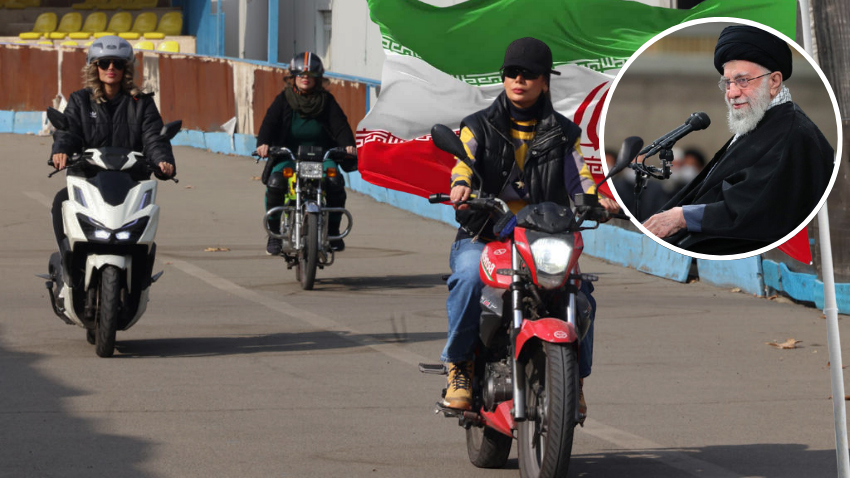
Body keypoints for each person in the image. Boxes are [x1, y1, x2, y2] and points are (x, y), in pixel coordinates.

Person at [441, 37, 619, 418]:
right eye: (512, 72)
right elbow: (464, 164)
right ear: (503, 78)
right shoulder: (477, 127)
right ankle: (459, 366)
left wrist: (596, 199)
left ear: (545, 81)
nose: (519, 79)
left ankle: (576, 379)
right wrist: (461, 186)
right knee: (470, 278)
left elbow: (581, 178)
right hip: (486, 232)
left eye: (529, 74)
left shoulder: (564, 134)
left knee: (580, 293)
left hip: (543, 236)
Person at [643, 25, 834, 255]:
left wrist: (683, 217)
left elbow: (758, 209)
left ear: (774, 82)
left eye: (743, 81)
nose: (732, 93)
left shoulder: (793, 135)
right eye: (727, 83)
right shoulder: (761, 124)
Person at [51, 36, 176, 251]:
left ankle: (141, 269)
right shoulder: (80, 100)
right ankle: (67, 258)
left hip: (130, 180)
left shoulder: (142, 103)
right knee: (61, 202)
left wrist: (163, 161)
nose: (111, 68)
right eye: (104, 63)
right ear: (94, 67)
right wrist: (62, 150)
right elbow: (68, 130)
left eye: (118, 63)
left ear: (126, 68)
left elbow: (154, 137)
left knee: (146, 217)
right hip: (88, 177)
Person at [256, 52, 356, 254]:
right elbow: (270, 123)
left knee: (335, 181)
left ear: (318, 78)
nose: (305, 77)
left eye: (310, 74)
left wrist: (347, 145)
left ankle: (333, 231)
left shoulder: (326, 101)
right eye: (300, 74)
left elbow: (340, 126)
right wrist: (264, 143)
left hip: (322, 157)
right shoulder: (284, 99)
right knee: (276, 182)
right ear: (293, 77)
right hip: (289, 156)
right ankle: (274, 234)